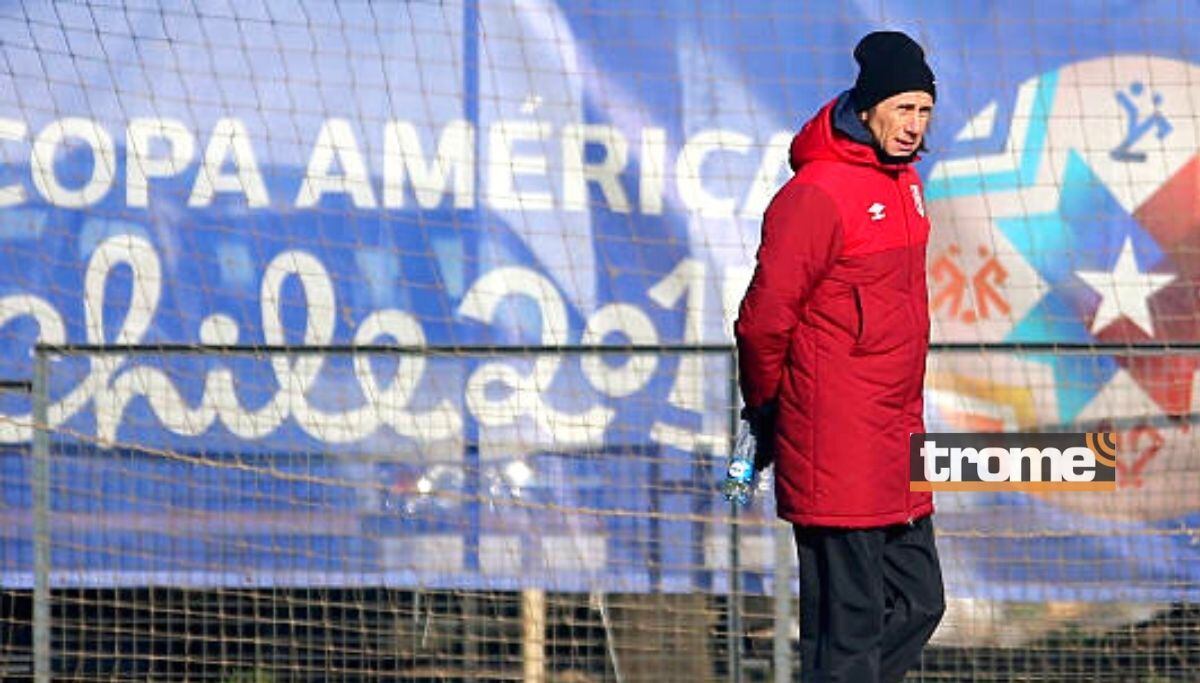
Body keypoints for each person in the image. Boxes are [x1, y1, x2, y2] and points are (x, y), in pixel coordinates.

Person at [734, 30, 945, 682]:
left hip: (897, 438)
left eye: (925, 111)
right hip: (836, 443)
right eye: (902, 109)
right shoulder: (816, 193)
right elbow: (762, 321)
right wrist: (768, 407)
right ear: (869, 105)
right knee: (846, 632)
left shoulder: (906, 183)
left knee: (921, 601)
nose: (913, 126)